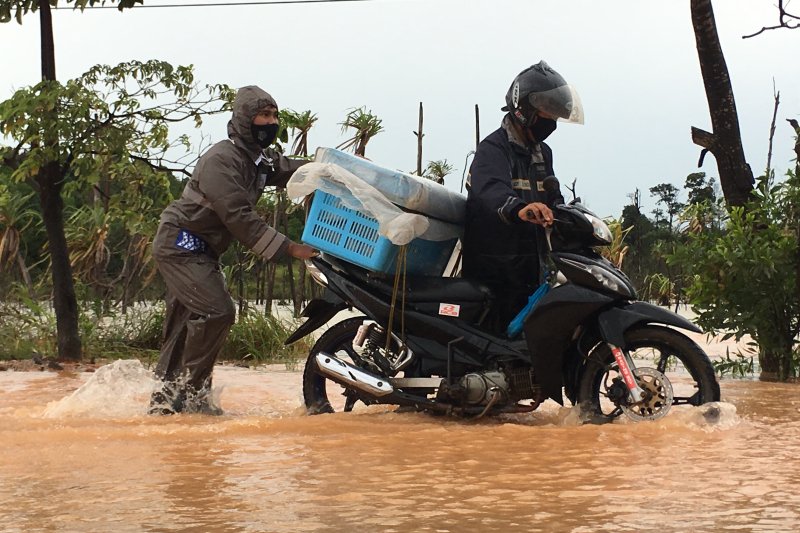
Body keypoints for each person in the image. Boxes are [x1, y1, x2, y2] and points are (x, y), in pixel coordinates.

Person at [149, 85, 318, 415]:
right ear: (244, 119)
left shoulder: (254, 159)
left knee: (184, 328)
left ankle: (164, 408)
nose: (271, 122)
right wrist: (290, 248)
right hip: (181, 244)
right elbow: (239, 216)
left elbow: (288, 169)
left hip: (201, 251)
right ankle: (192, 400)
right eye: (264, 115)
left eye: (274, 116)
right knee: (217, 311)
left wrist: (328, 170)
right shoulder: (222, 160)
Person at [462, 61, 584, 336]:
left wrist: (567, 216)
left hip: (530, 265)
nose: (552, 120)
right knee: (499, 340)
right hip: (495, 265)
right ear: (524, 109)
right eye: (547, 110)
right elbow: (490, 190)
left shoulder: (543, 154)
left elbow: (553, 196)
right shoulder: (493, 148)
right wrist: (519, 208)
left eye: (556, 113)